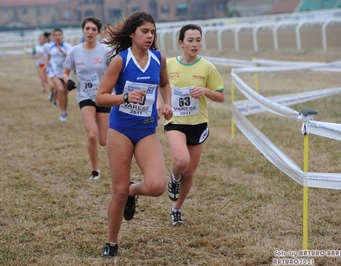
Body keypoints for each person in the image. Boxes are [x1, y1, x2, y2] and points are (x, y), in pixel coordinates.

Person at [95, 11, 173, 258]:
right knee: (117, 192)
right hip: (120, 130)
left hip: (147, 128)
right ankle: (111, 242)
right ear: (132, 34)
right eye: (145, 32)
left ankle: (132, 190)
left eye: (152, 32)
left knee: (158, 185)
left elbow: (164, 84)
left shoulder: (159, 58)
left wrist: (165, 103)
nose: (150, 36)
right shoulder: (121, 60)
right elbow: (101, 97)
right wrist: (125, 97)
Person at [164, 24, 225, 226]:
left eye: (198, 39)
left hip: (198, 123)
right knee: (181, 161)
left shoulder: (207, 67)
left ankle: (176, 208)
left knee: (189, 173)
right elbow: (159, 87)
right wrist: (160, 105)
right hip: (175, 121)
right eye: (190, 40)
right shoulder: (169, 64)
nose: (195, 44)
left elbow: (221, 96)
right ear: (181, 43)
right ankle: (174, 178)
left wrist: (206, 91)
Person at [63, 17, 112, 181]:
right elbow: (65, 71)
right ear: (83, 30)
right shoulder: (74, 52)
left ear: (98, 32)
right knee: (92, 135)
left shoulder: (106, 51)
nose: (90, 32)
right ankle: (95, 171)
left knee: (104, 140)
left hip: (103, 96)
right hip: (85, 96)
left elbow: (116, 70)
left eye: (93, 29)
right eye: (87, 29)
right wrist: (67, 80)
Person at [45, 28, 73, 122]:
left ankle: (64, 111)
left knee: (65, 94)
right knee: (60, 89)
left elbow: (71, 58)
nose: (58, 37)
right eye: (55, 35)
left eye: (59, 35)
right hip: (54, 72)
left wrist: (63, 52)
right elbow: (48, 56)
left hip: (65, 72)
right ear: (53, 37)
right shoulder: (50, 47)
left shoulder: (68, 46)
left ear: (62, 36)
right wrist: (46, 64)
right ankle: (62, 111)